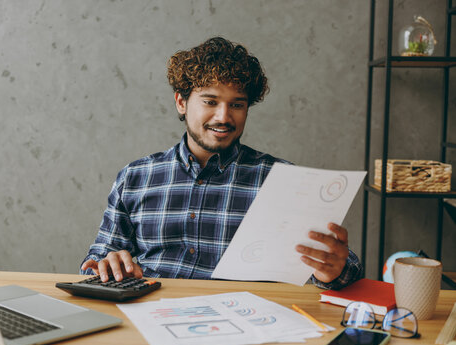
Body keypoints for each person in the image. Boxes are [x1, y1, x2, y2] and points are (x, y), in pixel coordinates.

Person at [80, 37, 363, 289]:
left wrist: (334, 270)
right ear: (181, 102)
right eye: (210, 101)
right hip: (149, 315)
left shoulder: (281, 179)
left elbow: (345, 268)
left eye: (237, 105)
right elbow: (101, 253)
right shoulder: (135, 177)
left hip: (246, 327)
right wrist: (105, 262)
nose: (224, 117)